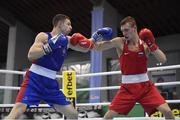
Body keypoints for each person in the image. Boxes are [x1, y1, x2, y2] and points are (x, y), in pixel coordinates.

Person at [4, 14, 111, 120]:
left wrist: (95, 38)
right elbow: (31, 55)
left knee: (73, 115)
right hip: (34, 80)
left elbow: (85, 48)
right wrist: (50, 46)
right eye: (68, 24)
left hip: (51, 84)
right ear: (59, 24)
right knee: (17, 112)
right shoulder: (44, 36)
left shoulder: (67, 41)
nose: (71, 27)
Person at [89, 16, 175, 120]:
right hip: (127, 88)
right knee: (108, 116)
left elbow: (163, 60)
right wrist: (95, 37)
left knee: (168, 111)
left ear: (134, 28)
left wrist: (152, 45)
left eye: (126, 30)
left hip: (146, 87)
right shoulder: (119, 42)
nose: (124, 33)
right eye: (122, 31)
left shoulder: (144, 45)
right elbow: (97, 47)